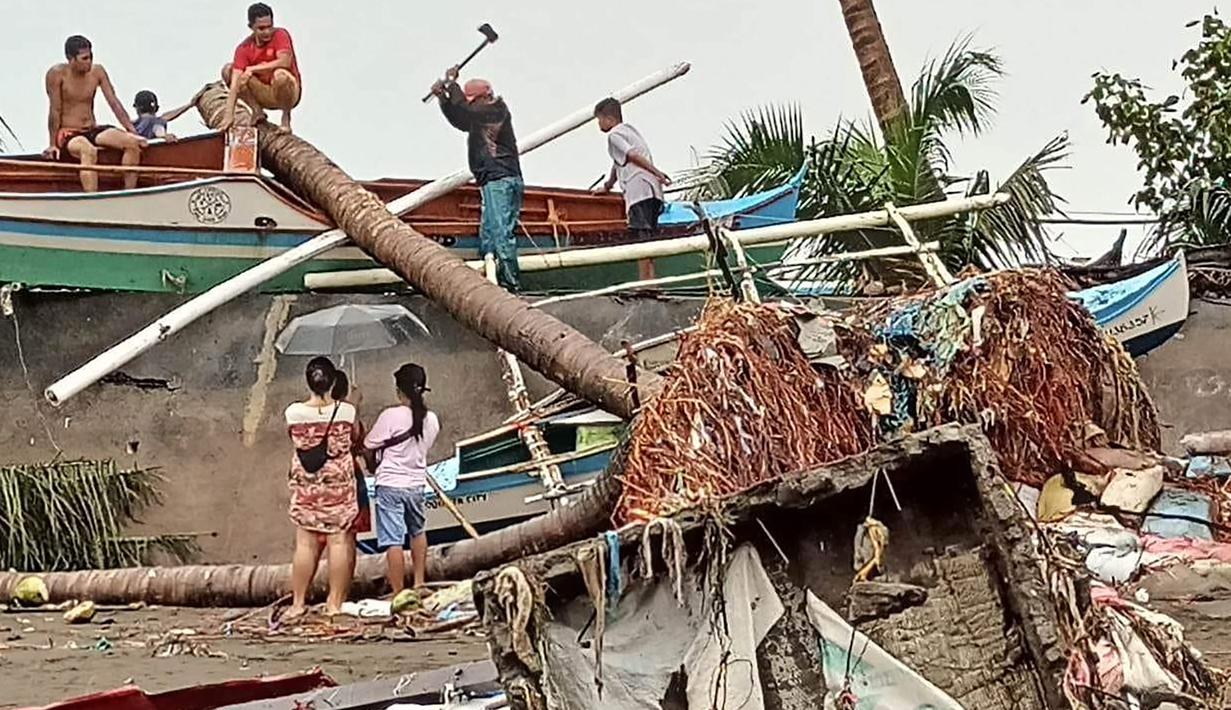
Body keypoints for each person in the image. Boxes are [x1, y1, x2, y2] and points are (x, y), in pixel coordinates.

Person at [431, 68, 523, 291]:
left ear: (482, 97)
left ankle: (511, 284)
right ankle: (492, 279)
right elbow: (461, 119)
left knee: (500, 233)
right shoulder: (482, 114)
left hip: (500, 178)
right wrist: (443, 99)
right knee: (489, 234)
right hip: (493, 180)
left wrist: (452, 84)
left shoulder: (494, 109)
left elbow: (465, 110)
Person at [284, 357, 358, 618]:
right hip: (338, 487)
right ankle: (334, 604)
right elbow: (354, 438)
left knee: (305, 543)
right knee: (339, 541)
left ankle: (297, 604)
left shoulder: (293, 412)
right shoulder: (347, 411)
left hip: (307, 485)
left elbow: (294, 438)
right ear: (333, 381)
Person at [364, 363, 440, 594]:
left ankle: (399, 593)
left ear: (399, 391)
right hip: (416, 485)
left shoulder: (390, 416)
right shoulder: (432, 420)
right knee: (418, 531)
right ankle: (419, 583)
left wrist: (372, 465)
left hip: (390, 484)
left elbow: (368, 444)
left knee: (393, 540)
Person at [43, 35, 148, 192]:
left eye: (91, 57)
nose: (89, 62)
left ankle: (129, 192)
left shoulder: (97, 72)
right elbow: (55, 110)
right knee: (88, 151)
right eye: (84, 58)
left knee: (132, 143)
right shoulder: (57, 74)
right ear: (71, 59)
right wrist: (52, 144)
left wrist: (132, 131)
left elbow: (114, 103)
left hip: (92, 128)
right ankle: (92, 197)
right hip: (69, 133)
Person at [593, 97, 671, 240]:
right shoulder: (630, 131)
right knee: (650, 233)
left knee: (640, 234)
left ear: (609, 119)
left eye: (599, 120)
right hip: (653, 190)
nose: (598, 124)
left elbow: (632, 155)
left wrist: (658, 172)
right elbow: (618, 163)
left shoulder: (614, 135)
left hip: (638, 190)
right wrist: (608, 186)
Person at [220, 3, 302, 132]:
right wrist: (228, 115)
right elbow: (235, 83)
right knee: (228, 70)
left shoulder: (280, 35)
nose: (267, 32)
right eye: (261, 28)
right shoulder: (244, 48)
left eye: (270, 27)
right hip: (263, 93)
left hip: (287, 91)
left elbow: (285, 61)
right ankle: (257, 111)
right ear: (251, 27)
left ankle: (286, 118)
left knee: (280, 75)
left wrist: (253, 69)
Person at [132, 89, 204, 142]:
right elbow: (158, 127)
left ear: (136, 108)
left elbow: (166, 117)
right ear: (156, 108)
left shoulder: (131, 124)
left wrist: (190, 105)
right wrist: (164, 136)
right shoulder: (158, 121)